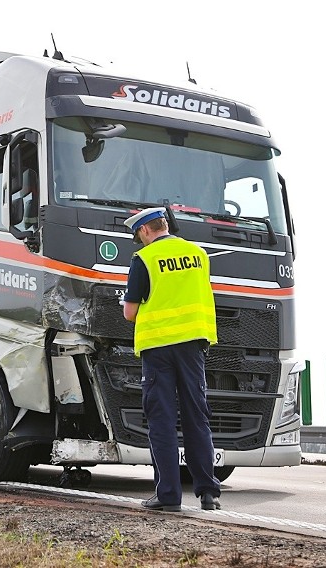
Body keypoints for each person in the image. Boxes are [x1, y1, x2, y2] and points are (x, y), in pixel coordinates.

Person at [122, 206, 221, 512]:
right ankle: (208, 494)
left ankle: (168, 496)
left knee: (162, 421)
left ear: (144, 231)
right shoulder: (198, 255)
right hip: (193, 346)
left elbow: (130, 312)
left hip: (159, 348)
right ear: (165, 225)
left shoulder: (145, 259)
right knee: (196, 416)